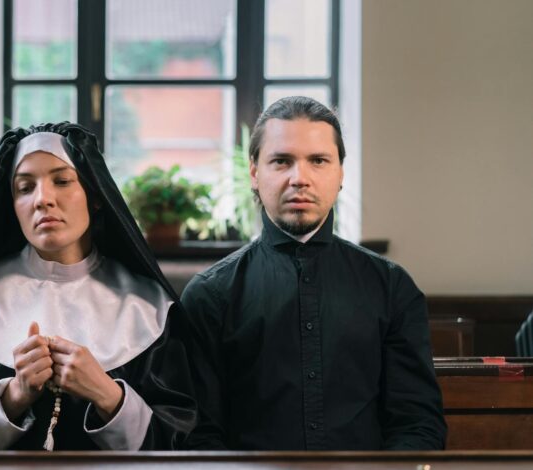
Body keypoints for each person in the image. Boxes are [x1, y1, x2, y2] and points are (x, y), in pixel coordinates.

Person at [181, 96, 446, 450]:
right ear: (255, 173)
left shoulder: (391, 286)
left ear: (340, 174)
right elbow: (199, 436)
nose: (299, 178)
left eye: (318, 161)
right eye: (281, 161)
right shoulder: (210, 295)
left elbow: (417, 425)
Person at [0, 122, 197, 451]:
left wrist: (107, 394)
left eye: (61, 181)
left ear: (96, 197)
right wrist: (13, 396)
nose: (43, 199)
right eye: (24, 187)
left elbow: (178, 441)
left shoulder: (148, 308)